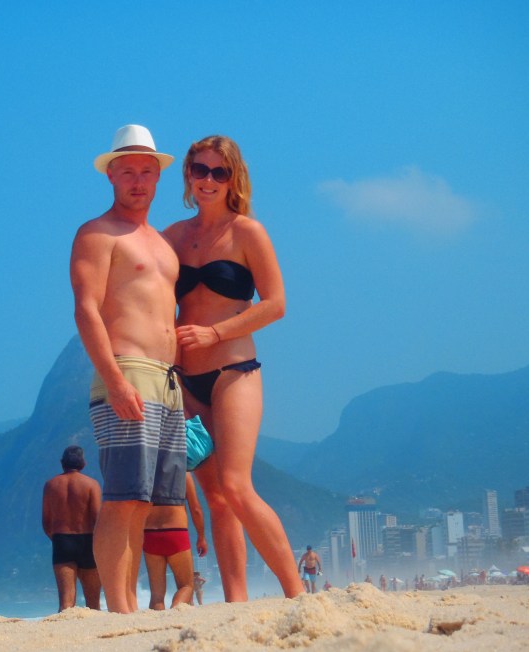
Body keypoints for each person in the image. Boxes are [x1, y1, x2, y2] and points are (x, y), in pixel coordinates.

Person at [164, 135, 303, 601]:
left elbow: (277, 304)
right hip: (185, 381)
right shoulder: (172, 238)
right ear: (187, 175)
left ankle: (297, 594)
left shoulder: (248, 233)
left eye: (218, 173)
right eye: (199, 170)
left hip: (233, 370)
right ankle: (236, 603)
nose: (207, 180)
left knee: (237, 486)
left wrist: (215, 334)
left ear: (232, 179)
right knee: (216, 500)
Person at [70, 124, 186, 613]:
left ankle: (129, 605)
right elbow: (86, 309)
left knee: (149, 503)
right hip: (128, 371)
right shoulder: (97, 233)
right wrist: (115, 380)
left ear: (158, 178)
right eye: (128, 172)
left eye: (146, 171)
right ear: (111, 177)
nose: (138, 180)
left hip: (167, 380)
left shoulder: (161, 244)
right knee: (123, 497)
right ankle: (119, 608)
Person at [41, 446, 102, 611]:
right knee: (93, 603)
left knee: (66, 604)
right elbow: (98, 520)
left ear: (62, 463)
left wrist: (58, 540)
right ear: (83, 463)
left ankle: (64, 635)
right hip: (87, 540)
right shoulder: (91, 484)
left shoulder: (50, 485)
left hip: (62, 541)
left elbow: (46, 523)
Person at [143, 473, 208, 609]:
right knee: (186, 586)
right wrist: (201, 537)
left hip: (150, 534)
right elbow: (195, 509)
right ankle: (175, 612)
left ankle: (157, 627)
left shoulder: (148, 470)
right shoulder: (184, 474)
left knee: (157, 595)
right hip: (176, 533)